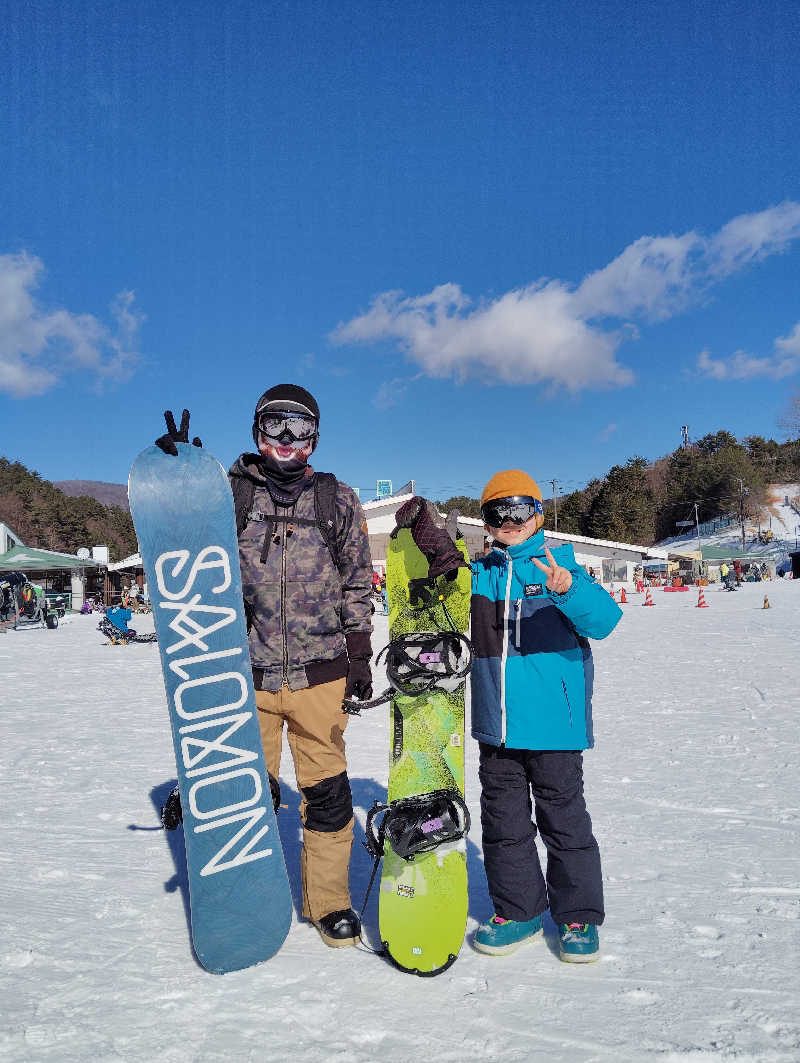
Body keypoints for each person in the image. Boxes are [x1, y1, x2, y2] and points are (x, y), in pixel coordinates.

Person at [155, 387, 374, 949]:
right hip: (242, 672)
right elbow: (183, 554)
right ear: (256, 432)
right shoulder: (226, 494)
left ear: (315, 438)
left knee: (327, 793)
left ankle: (329, 903)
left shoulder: (338, 500)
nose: (285, 439)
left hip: (318, 674)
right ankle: (242, 895)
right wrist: (181, 486)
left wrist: (358, 652)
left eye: (298, 429)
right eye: (275, 426)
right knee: (247, 793)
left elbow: (355, 580)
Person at [396, 470, 621, 963]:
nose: (510, 521)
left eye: (520, 510)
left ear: (537, 514)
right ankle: (518, 910)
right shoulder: (482, 576)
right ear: (488, 521)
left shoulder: (559, 566)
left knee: (564, 822)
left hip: (553, 729)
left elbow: (605, 621)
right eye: (499, 513)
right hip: (495, 729)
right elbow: (446, 575)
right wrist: (427, 534)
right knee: (504, 824)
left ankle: (578, 915)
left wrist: (564, 588)